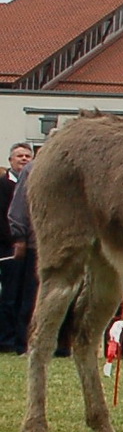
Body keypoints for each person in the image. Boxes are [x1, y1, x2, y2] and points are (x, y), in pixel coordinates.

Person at [0, 142, 34, 352]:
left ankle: (23, 338)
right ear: (10, 160)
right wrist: (15, 240)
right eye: (19, 156)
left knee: (26, 294)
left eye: (27, 156)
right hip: (10, 247)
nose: (23, 159)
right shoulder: (3, 185)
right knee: (10, 295)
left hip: (31, 246)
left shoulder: (33, 182)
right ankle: (6, 339)